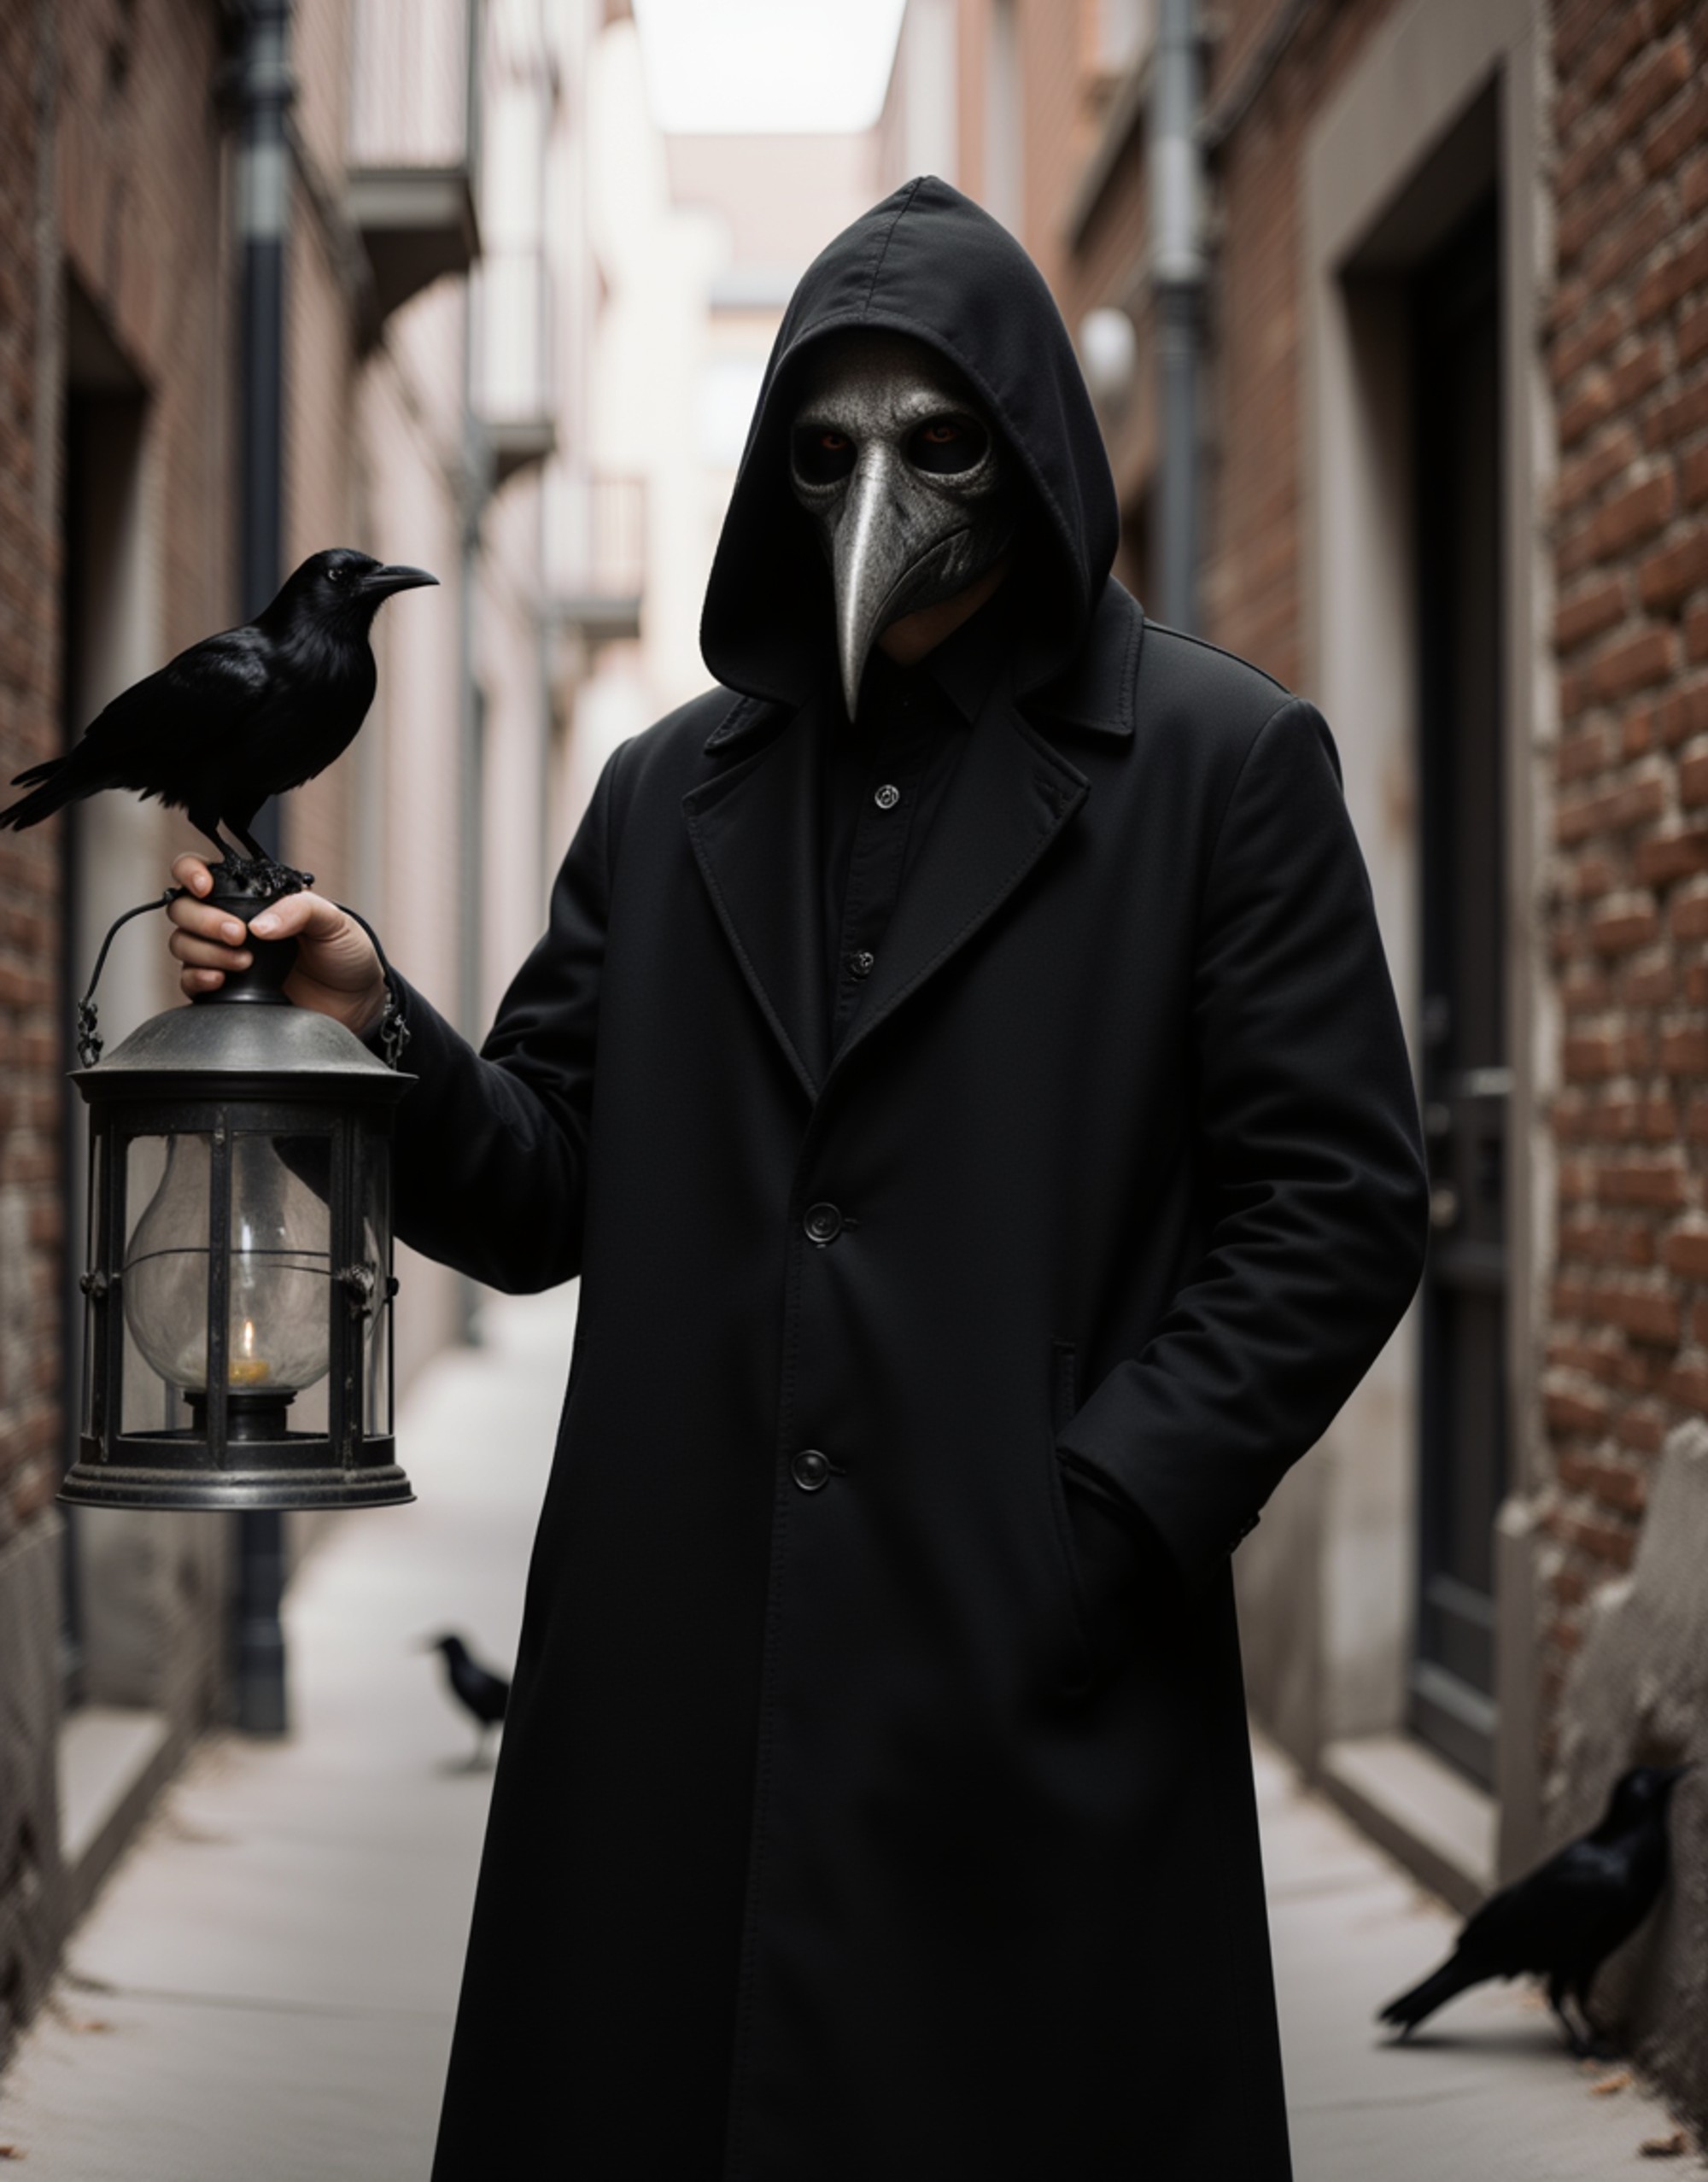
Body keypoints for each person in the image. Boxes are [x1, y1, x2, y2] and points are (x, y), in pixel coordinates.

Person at [168, 178, 1428, 2180]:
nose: (879, 491)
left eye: (935, 442)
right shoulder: (668, 790)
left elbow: (1337, 1203)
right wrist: (370, 1019)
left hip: (1027, 1685)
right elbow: (542, 1185)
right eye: (823, 446)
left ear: (1025, 448)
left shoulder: (1218, 764)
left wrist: (1088, 1516)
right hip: (676, 1688)